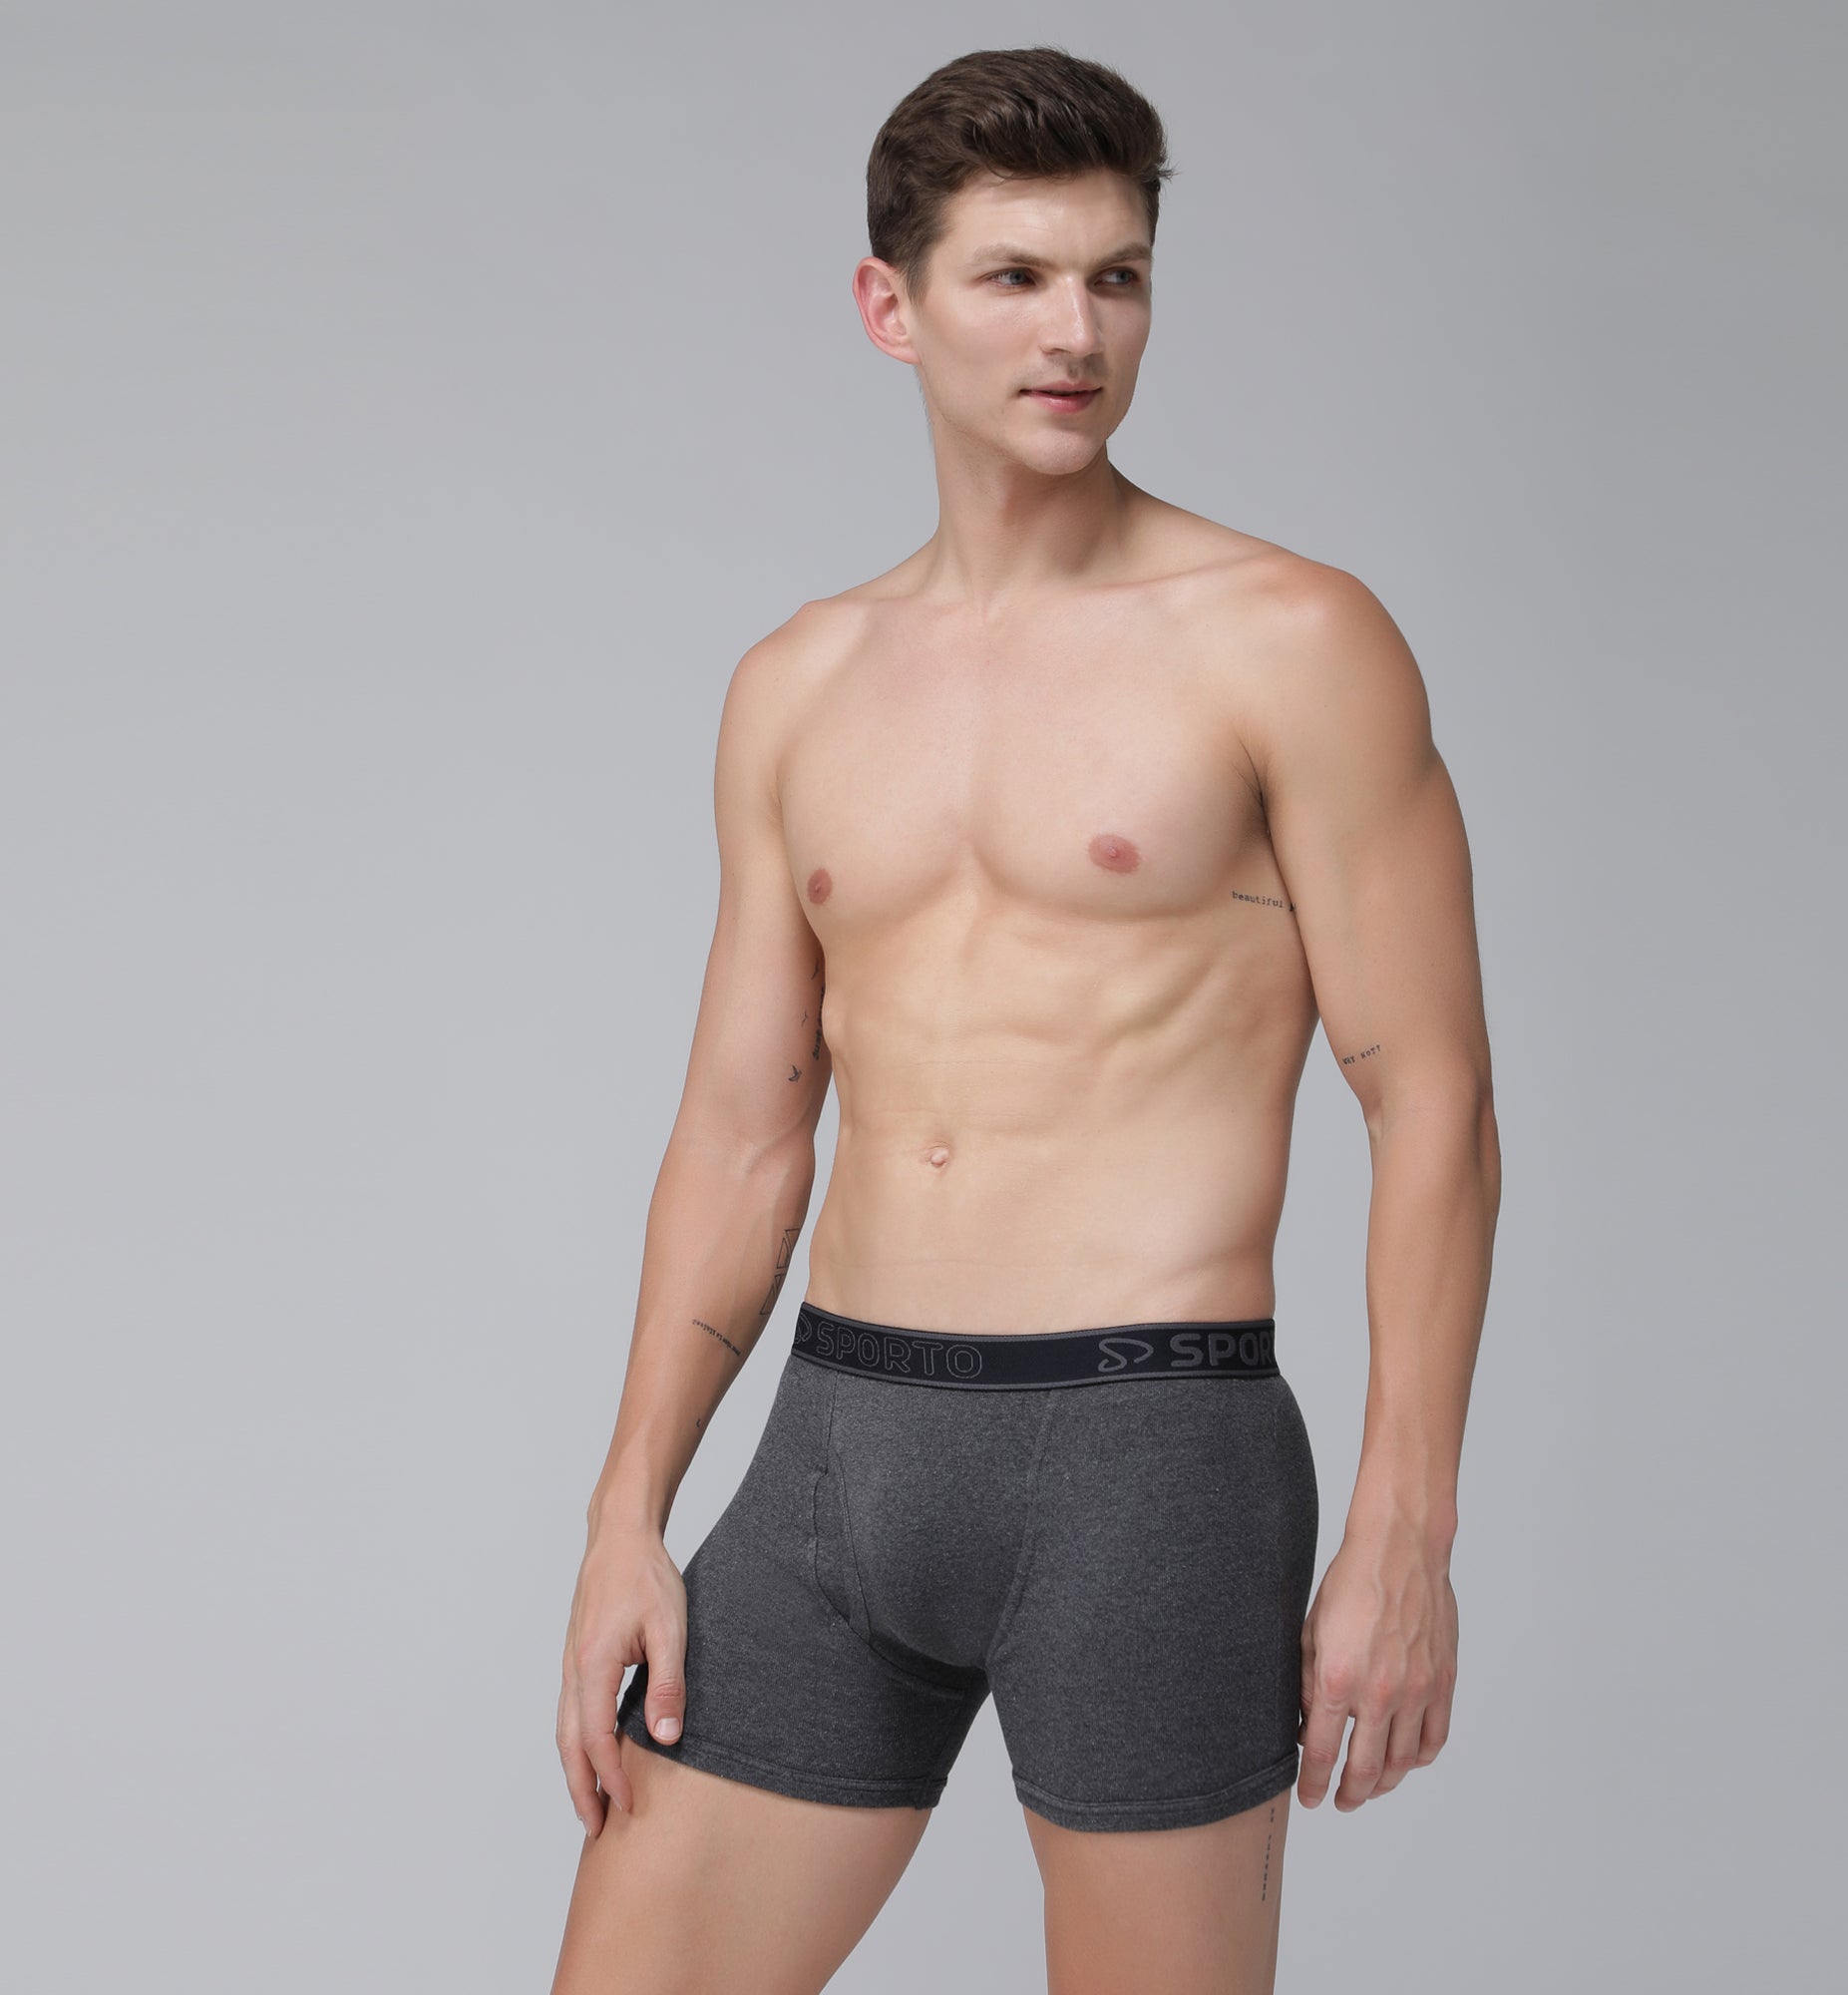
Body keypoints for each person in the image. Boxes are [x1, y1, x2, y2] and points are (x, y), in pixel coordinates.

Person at [550, 43, 1500, 1995]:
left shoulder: (1289, 639)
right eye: (1016, 277)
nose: (1077, 332)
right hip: (838, 1447)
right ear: (889, 306)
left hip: (1148, 1460)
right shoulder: (799, 684)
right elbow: (744, 1128)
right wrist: (626, 1510)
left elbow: (1433, 1099)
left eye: (1116, 278)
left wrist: (1406, 1529)